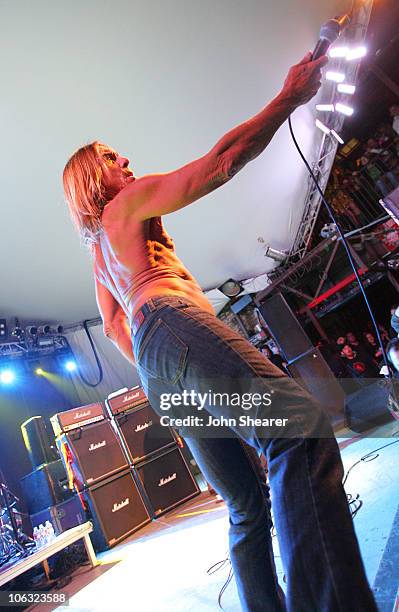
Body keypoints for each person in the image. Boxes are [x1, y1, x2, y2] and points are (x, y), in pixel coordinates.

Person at [63, 51, 377, 612]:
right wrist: (289, 97)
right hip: (174, 326)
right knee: (299, 428)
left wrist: (172, 374)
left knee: (245, 505)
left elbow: (114, 329)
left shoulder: (98, 259)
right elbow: (221, 162)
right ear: (93, 177)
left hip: (157, 365)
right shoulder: (127, 204)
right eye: (112, 157)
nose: (127, 160)